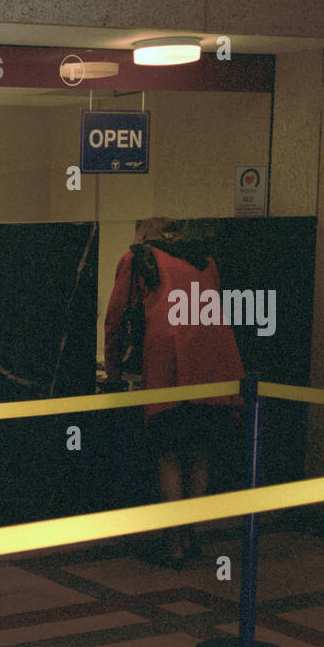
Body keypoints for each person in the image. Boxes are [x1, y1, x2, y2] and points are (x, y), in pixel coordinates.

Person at [104, 217, 244, 566]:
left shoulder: (138, 258)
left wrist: (114, 371)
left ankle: (174, 544)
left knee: (167, 454)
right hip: (216, 364)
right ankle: (191, 537)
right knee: (199, 453)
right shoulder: (205, 259)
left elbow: (115, 317)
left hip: (170, 366)